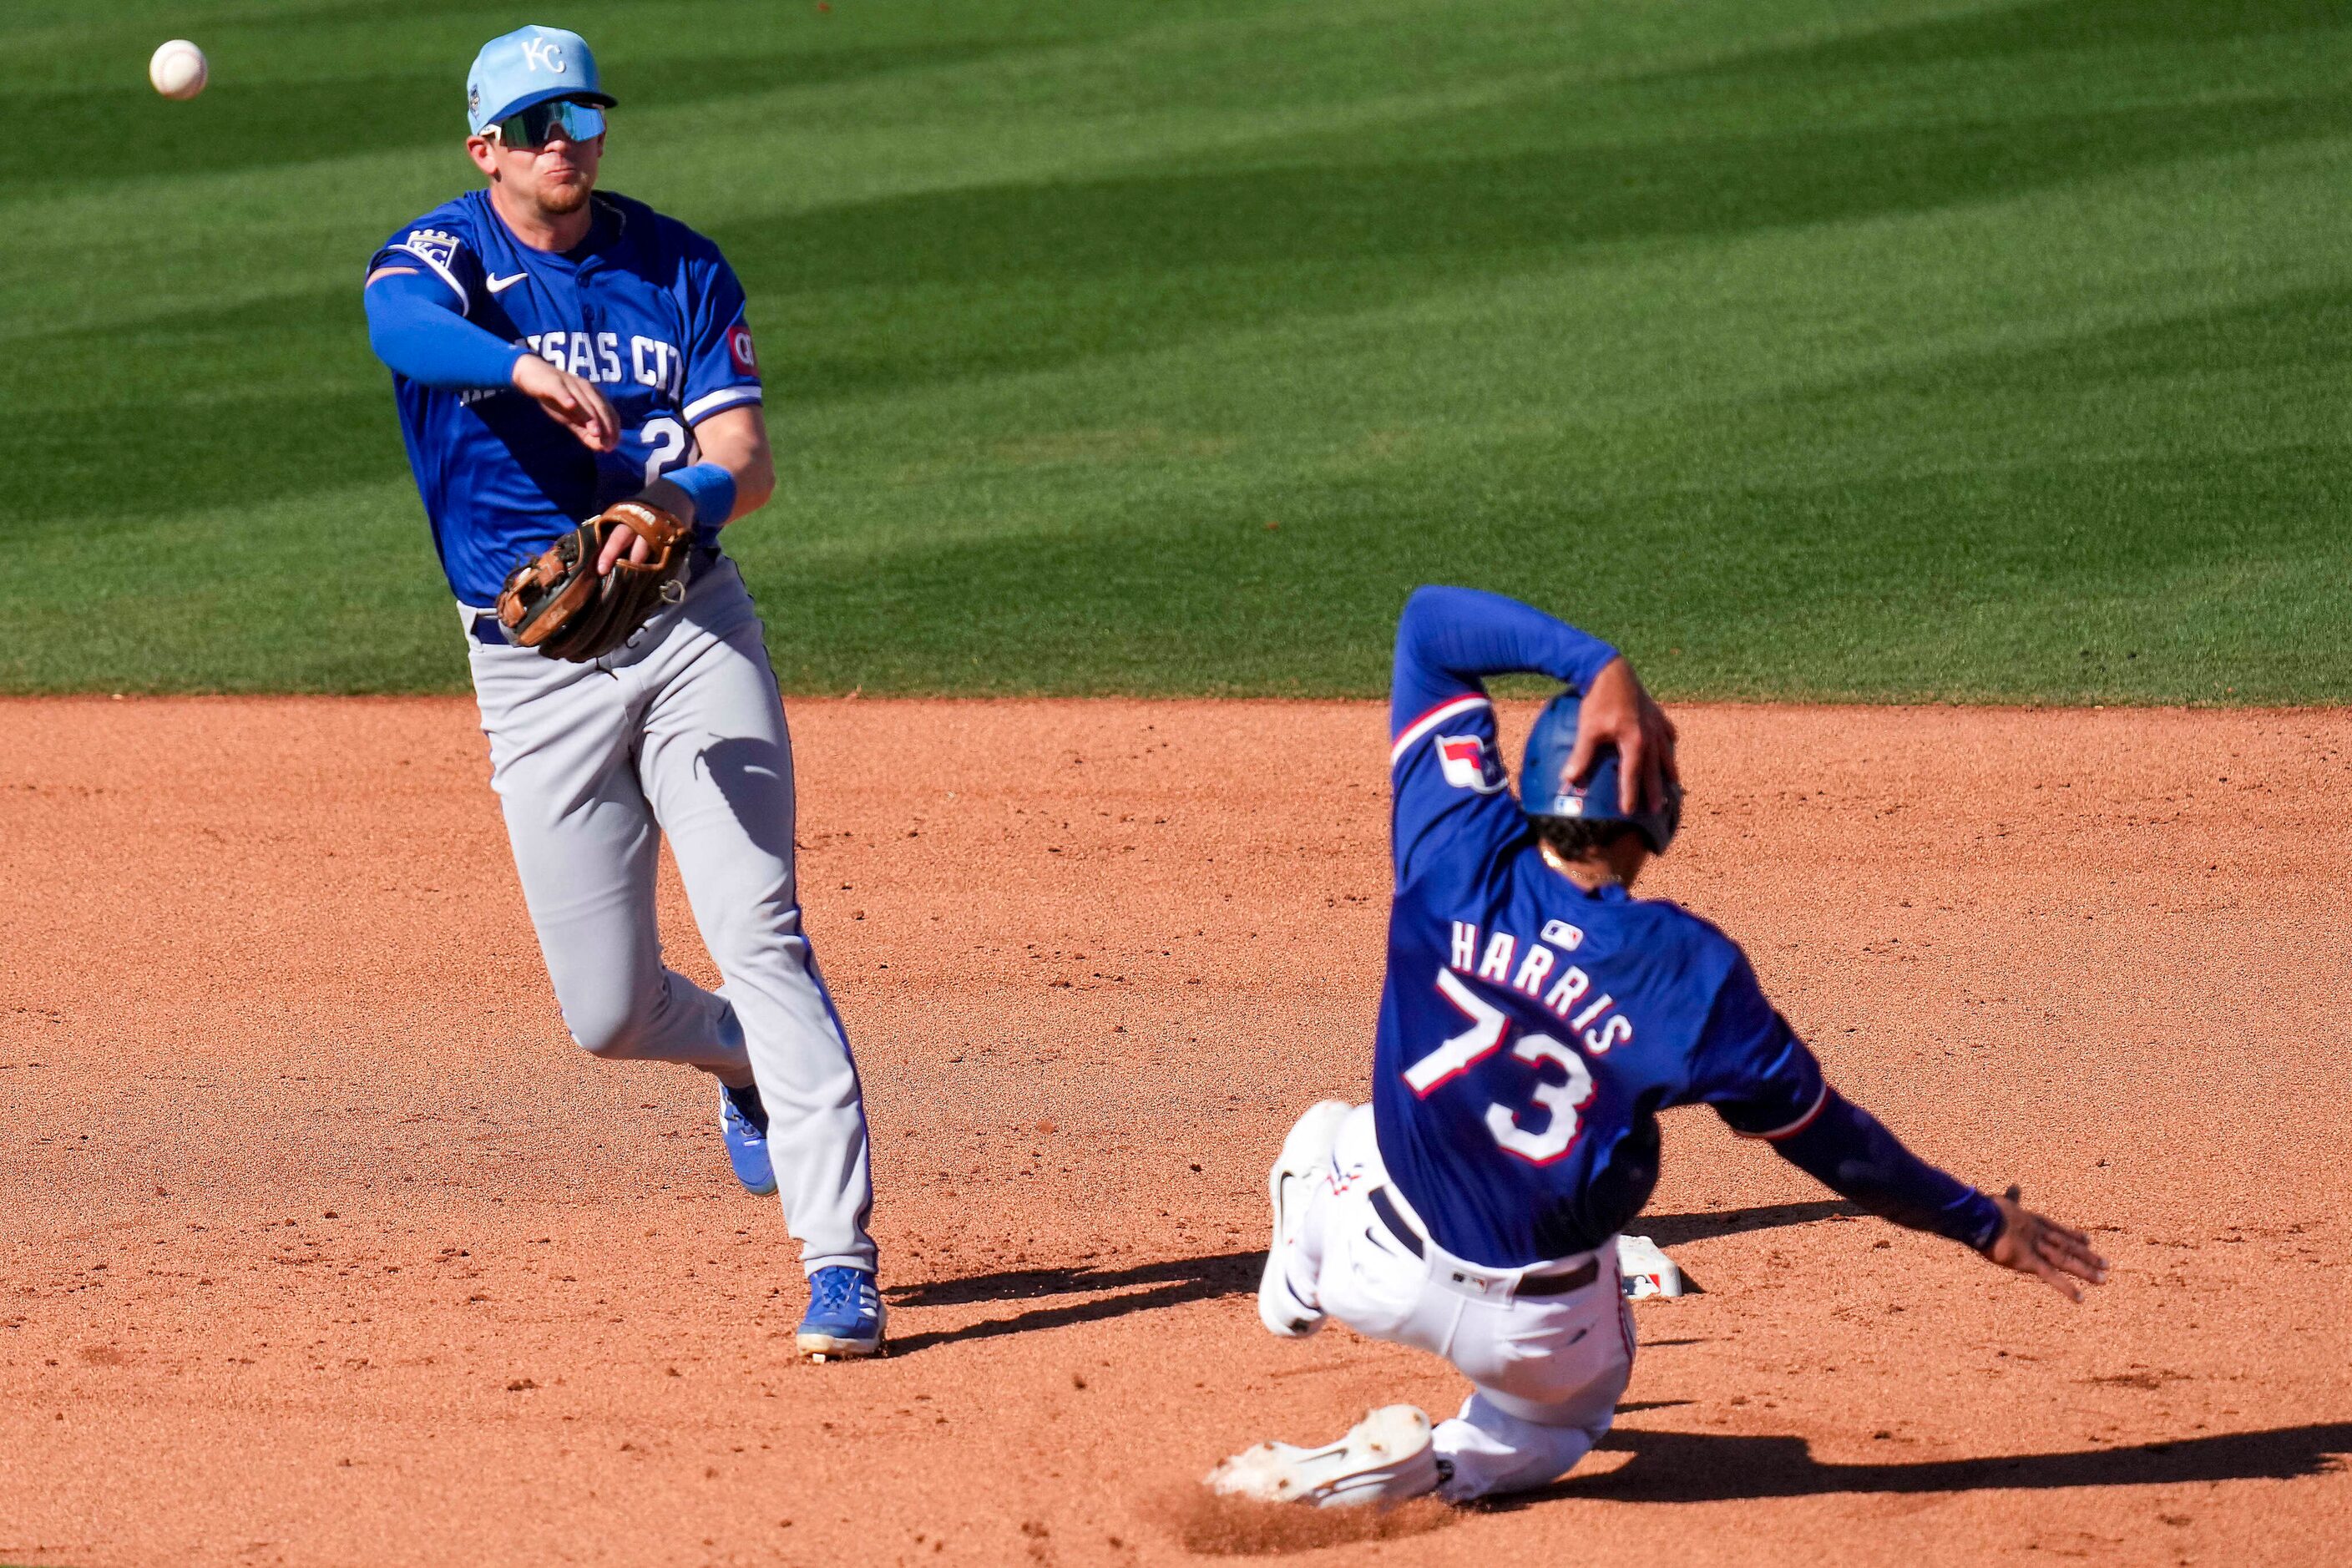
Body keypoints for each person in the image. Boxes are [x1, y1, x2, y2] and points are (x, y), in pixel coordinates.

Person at [1210, 584, 2106, 1506]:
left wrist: (1595, 665)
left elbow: (1430, 623)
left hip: (1376, 1261)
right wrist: (1982, 1222)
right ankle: (1429, 1467)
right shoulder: (1691, 973)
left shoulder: (1454, 845)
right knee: (1558, 1427)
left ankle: (1303, 1279)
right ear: (1657, 803)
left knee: (1326, 1132)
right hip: (1540, 1333)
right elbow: (1837, 1146)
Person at [359, 26, 882, 1358]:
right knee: (607, 1013)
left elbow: (745, 458)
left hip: (691, 625)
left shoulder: (679, 263)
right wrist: (517, 364)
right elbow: (393, 323)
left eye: (578, 117)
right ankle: (739, 1066)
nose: (561, 142)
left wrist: (677, 497)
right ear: (486, 149)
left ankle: (840, 1261)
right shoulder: (446, 259)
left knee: (761, 925)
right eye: (532, 125)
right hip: (534, 671)